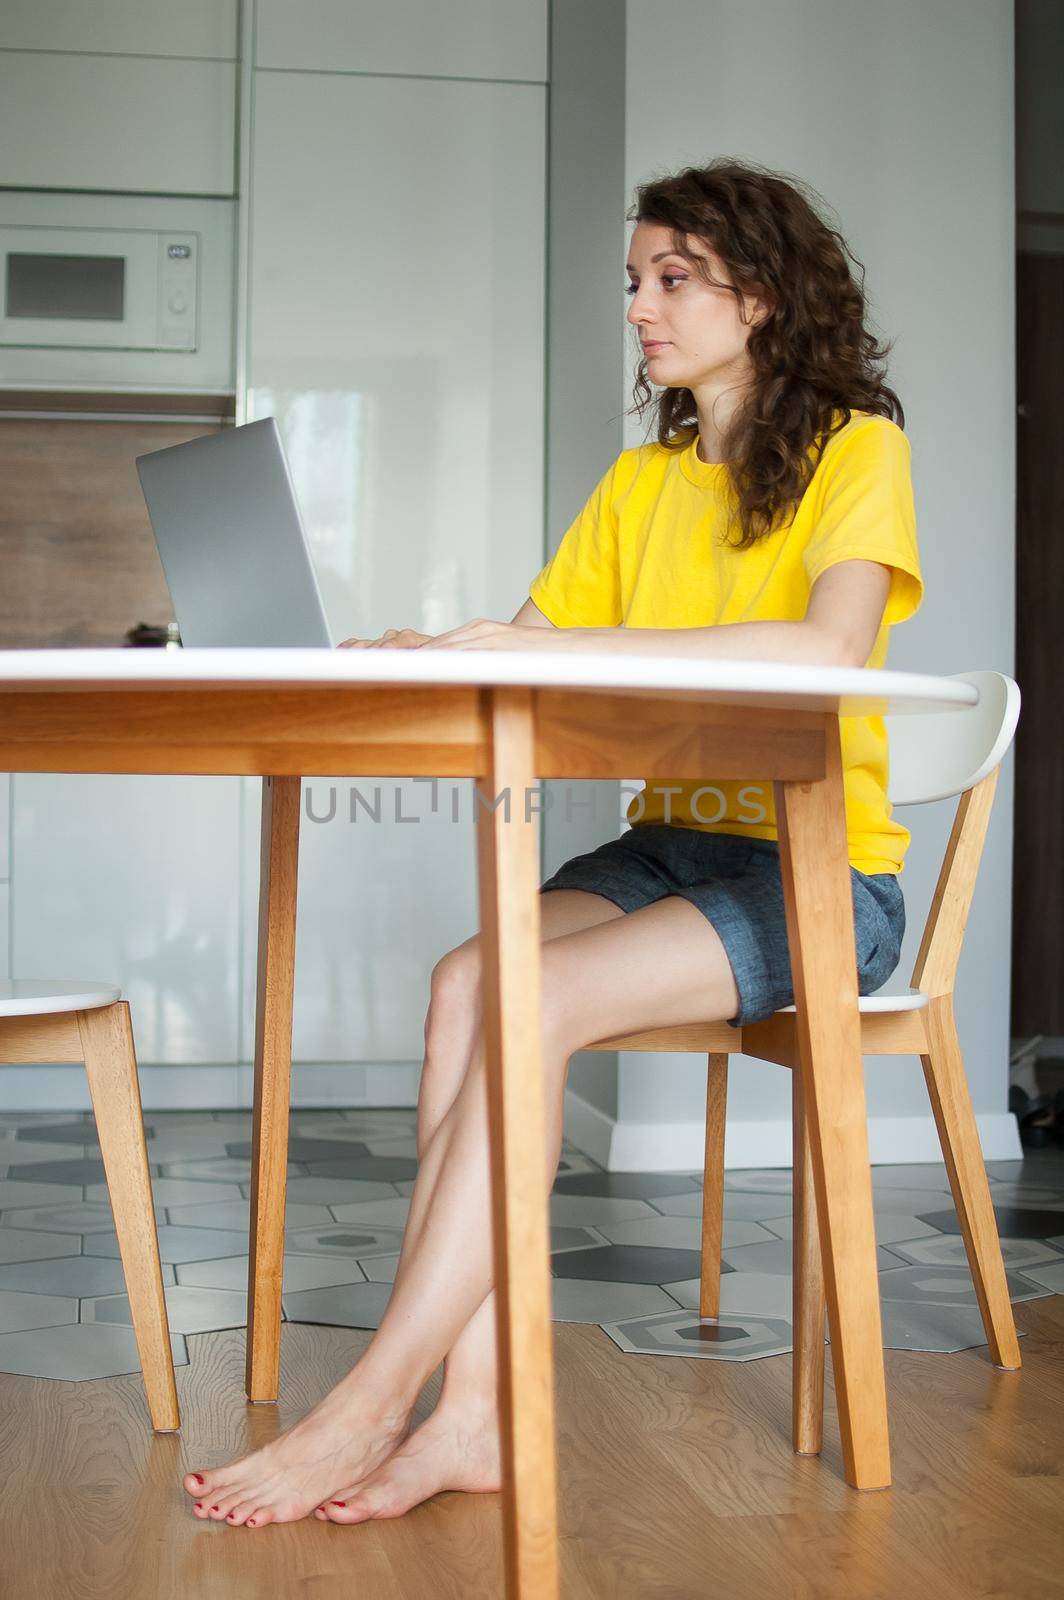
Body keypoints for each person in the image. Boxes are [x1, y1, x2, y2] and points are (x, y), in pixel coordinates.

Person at [182, 157, 924, 1529]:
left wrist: (564, 643)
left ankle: (366, 1408)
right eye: (635, 281)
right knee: (470, 984)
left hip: (819, 872)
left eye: (673, 278)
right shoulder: (642, 483)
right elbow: (531, 642)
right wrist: (413, 655)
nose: (641, 307)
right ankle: (470, 1417)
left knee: (535, 996)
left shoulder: (854, 452)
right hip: (668, 850)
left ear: (761, 296)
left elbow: (829, 644)